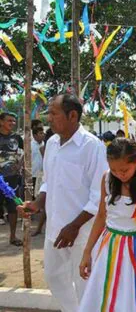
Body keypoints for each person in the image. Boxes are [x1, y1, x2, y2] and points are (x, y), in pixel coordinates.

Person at [17, 94, 108, 312]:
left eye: (53, 113)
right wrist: (37, 204)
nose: (48, 118)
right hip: (55, 230)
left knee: (86, 283)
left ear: (73, 115)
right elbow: (49, 182)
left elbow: (99, 196)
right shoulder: (52, 143)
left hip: (83, 233)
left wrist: (74, 227)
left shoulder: (92, 147)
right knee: (54, 277)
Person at [78, 138, 136, 311]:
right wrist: (87, 252)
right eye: (114, 170)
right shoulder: (107, 179)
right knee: (106, 293)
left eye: (124, 169)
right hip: (109, 247)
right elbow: (102, 216)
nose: (119, 174)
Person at [0, 112, 24, 246]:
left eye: (14, 121)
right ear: (1, 122)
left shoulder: (17, 138)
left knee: (13, 208)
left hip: (12, 179)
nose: (12, 123)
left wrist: (18, 166)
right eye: (9, 121)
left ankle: (13, 236)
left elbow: (22, 155)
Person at [32, 128, 54, 237]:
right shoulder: (45, 148)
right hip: (47, 177)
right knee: (46, 205)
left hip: (50, 178)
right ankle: (40, 228)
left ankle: (40, 228)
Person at [31, 125, 45, 197]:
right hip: (32, 175)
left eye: (43, 133)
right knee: (33, 195)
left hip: (43, 176)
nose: (43, 135)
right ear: (34, 135)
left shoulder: (46, 144)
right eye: (40, 133)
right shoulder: (29, 145)